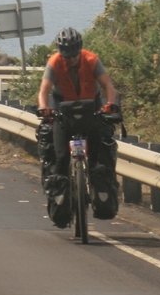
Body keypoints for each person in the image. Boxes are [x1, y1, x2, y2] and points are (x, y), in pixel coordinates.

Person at [35, 27, 121, 227]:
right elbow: (44, 90)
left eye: (74, 55)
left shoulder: (91, 60)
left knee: (99, 160)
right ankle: (62, 201)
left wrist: (110, 104)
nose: (70, 59)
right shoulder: (54, 63)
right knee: (61, 158)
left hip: (91, 111)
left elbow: (108, 86)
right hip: (63, 112)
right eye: (67, 55)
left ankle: (98, 191)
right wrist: (44, 108)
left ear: (79, 50)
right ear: (61, 52)